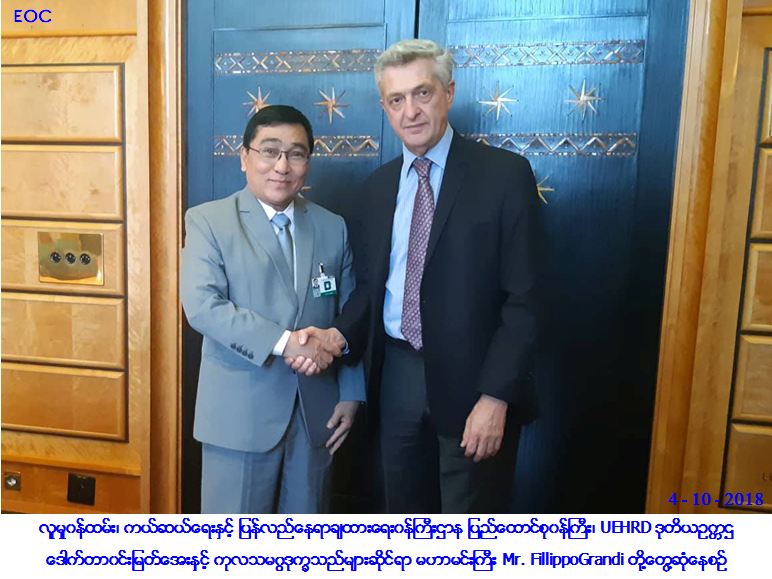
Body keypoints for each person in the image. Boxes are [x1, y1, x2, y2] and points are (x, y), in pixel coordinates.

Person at [328, 39, 539, 513]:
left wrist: (496, 396)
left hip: (475, 382)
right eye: (396, 99)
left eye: (422, 93)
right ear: (384, 108)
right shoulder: (377, 189)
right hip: (396, 378)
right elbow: (371, 289)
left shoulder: (504, 176)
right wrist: (335, 336)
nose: (411, 111)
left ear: (449, 92)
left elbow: (525, 299)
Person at [181, 105, 364, 513]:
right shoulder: (209, 221)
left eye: (296, 154)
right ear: (244, 157)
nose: (282, 166)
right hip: (239, 416)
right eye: (269, 151)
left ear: (308, 162)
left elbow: (350, 313)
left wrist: (352, 393)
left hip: (317, 414)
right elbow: (203, 306)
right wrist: (287, 343)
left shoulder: (332, 226)